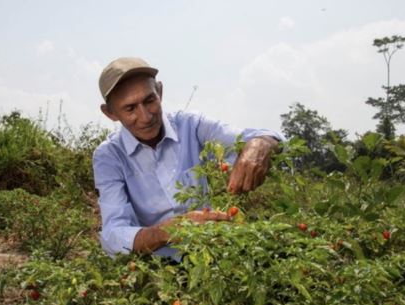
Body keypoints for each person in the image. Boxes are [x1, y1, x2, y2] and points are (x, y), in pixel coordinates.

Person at [93, 57, 283, 258]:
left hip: (211, 253)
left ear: (160, 92)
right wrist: (170, 231)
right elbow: (114, 234)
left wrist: (260, 145)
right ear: (110, 113)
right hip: (156, 267)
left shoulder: (191, 125)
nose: (146, 116)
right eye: (130, 108)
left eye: (150, 100)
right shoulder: (109, 156)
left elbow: (262, 138)